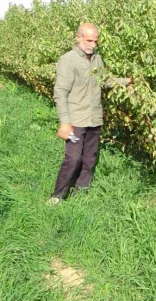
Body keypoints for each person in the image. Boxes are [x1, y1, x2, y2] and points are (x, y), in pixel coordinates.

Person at [48, 23, 131, 204]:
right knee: (73, 158)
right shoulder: (68, 60)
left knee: (89, 159)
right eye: (89, 40)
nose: (93, 44)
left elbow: (105, 81)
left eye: (96, 41)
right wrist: (65, 122)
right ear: (78, 38)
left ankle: (81, 193)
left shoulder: (97, 59)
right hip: (76, 119)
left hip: (94, 117)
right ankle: (57, 196)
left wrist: (128, 81)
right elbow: (60, 92)